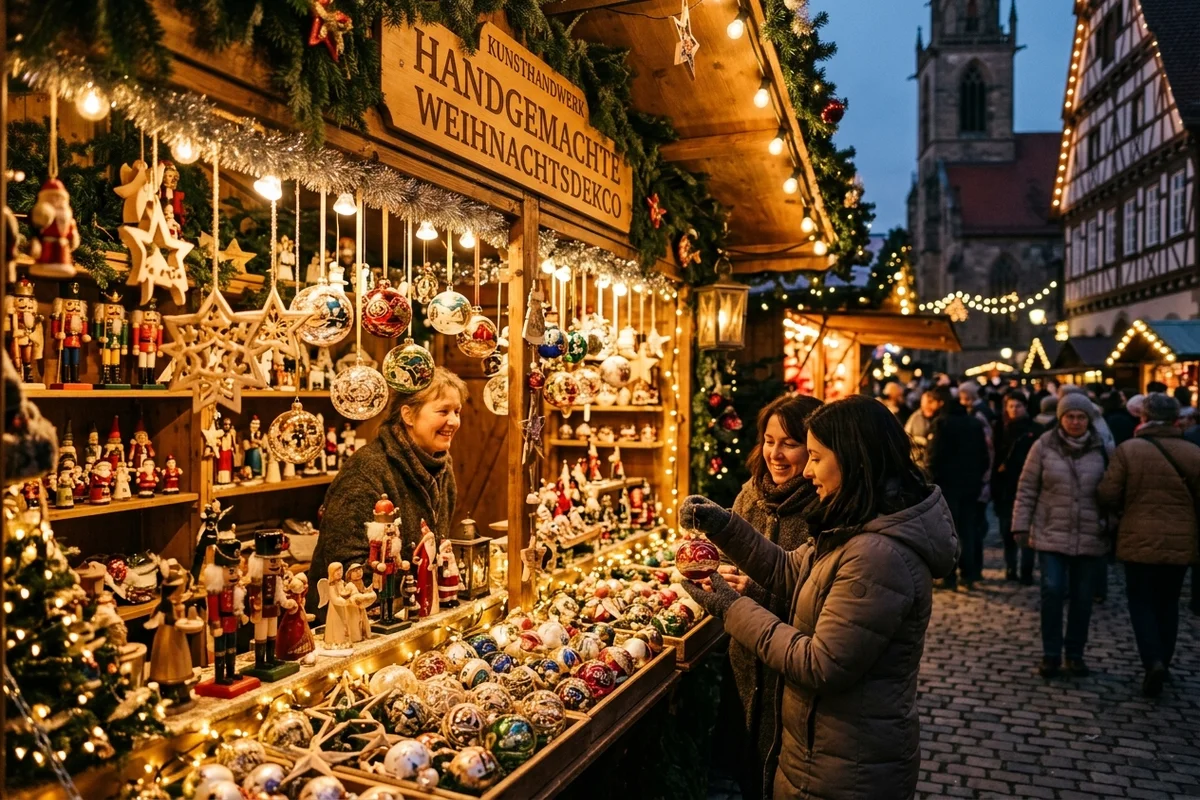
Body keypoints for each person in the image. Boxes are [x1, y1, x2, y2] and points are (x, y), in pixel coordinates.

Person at [679, 396, 957, 800]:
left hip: (846, 763)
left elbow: (820, 663)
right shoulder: (854, 522)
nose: (807, 471)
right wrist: (724, 527)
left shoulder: (877, 555)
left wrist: (731, 607)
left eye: (815, 457)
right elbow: (790, 571)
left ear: (853, 460)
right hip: (820, 748)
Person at [715, 393, 822, 800]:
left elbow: (814, 595)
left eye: (789, 443)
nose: (775, 454)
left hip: (789, 673)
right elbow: (727, 553)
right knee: (748, 774)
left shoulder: (821, 504)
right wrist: (721, 570)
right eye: (769, 440)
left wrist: (753, 590)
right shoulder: (751, 493)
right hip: (746, 665)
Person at [307, 368, 465, 614]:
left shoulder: (442, 466)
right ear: (408, 415)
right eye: (443, 411)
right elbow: (347, 565)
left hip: (420, 613)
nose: (454, 421)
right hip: (353, 626)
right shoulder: (366, 469)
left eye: (457, 411)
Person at [1097, 393, 1200, 696]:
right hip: (1181, 540)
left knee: (1141, 602)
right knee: (1168, 603)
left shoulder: (1129, 450)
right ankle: (1163, 662)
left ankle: (1152, 660)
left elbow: (1108, 494)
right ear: (1176, 419)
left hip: (1138, 537)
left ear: (1143, 416)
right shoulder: (1194, 452)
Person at [1012, 392, 1110, 677]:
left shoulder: (1101, 447)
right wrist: (1020, 523)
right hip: (1050, 530)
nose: (1076, 422)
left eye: (1081, 417)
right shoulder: (1043, 445)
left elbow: (1112, 491)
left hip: (1089, 533)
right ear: (1060, 418)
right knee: (1052, 591)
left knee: (1082, 598)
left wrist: (1111, 523)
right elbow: (1027, 487)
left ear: (1089, 420)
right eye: (1070, 417)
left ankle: (1075, 654)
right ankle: (1051, 654)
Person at [927, 386, 989, 590]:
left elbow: (934, 456)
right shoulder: (974, 423)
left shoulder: (942, 423)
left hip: (947, 486)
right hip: (971, 486)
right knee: (968, 530)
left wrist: (931, 479)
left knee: (948, 532)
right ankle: (969, 574)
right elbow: (984, 457)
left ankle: (949, 575)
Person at [992, 390, 1040, 584]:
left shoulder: (1034, 429)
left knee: (1027, 530)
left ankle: (1026, 571)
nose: (1014, 409)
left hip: (1026, 484)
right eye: (1010, 406)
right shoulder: (1000, 428)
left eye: (1018, 406)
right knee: (1006, 531)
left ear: (1025, 407)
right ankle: (1011, 568)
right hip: (1005, 486)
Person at [904, 387, 944, 471]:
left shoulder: (940, 417)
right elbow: (905, 436)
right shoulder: (916, 417)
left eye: (930, 402)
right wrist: (919, 440)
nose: (927, 407)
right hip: (919, 461)